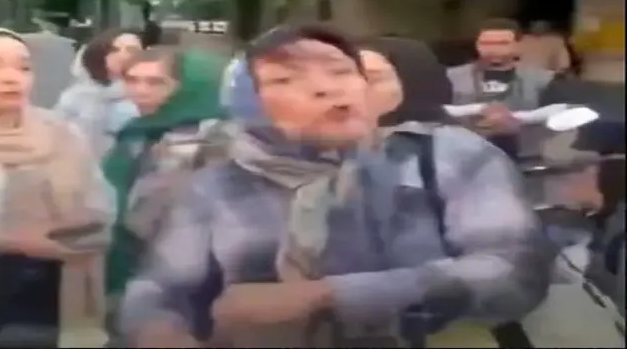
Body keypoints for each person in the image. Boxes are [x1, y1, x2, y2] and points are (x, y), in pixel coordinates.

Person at [119, 24, 551, 348]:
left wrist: (324, 297)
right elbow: (160, 286)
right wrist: (160, 331)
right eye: (286, 81)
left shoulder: (445, 156)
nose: (327, 90)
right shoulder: (217, 183)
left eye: (342, 73)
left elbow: (513, 271)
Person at [360, 37, 554, 347]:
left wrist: (354, 295)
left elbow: (509, 268)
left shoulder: (455, 152)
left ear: (412, 82)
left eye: (370, 78)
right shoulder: (310, 151)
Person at [0, 26, 116, 347]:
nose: (11, 78)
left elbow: (100, 205)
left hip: (48, 287)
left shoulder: (61, 133)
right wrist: (7, 240)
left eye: (23, 67)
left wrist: (78, 227)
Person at [102, 46, 230, 343]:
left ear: (189, 87)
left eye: (156, 82)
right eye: (132, 80)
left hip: (184, 277)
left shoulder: (216, 138)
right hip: (126, 263)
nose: (140, 90)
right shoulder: (136, 131)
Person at [447, 18, 556, 161]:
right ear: (477, 44)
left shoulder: (543, 79)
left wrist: (520, 120)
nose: (494, 49)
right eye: (486, 43)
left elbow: (561, 114)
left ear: (518, 45)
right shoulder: (451, 77)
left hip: (525, 159)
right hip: (464, 158)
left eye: (503, 43)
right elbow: (432, 111)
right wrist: (475, 111)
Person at [54, 28, 143, 158]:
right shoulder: (75, 98)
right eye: (114, 50)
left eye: (132, 50)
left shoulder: (146, 96)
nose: (123, 55)